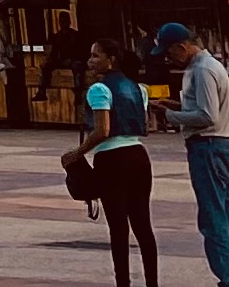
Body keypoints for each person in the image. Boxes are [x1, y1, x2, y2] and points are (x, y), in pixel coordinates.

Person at [78, 39, 160, 287]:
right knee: (143, 224)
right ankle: (152, 282)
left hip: (112, 159)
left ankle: (123, 282)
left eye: (95, 55)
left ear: (110, 60)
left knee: (118, 227)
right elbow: (143, 124)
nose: (90, 60)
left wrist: (76, 153)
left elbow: (103, 130)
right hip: (138, 155)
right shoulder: (139, 88)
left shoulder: (99, 90)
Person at [159, 23, 229, 284]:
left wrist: (169, 115)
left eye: (169, 52)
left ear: (182, 46)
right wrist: (176, 105)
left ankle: (225, 276)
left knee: (213, 217)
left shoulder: (201, 70)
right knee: (222, 212)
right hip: (218, 144)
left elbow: (207, 115)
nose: (168, 58)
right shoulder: (209, 67)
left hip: (208, 146)